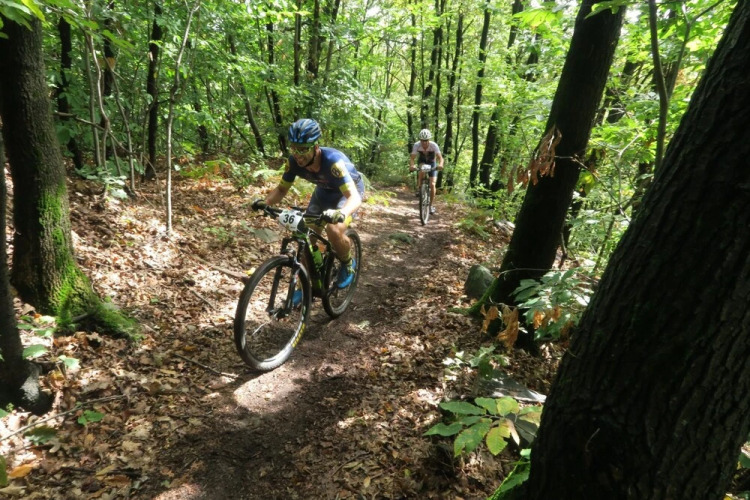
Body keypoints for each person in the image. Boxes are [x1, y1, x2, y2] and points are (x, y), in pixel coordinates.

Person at [253, 118, 364, 289]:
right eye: (294, 148)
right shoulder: (293, 162)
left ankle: (347, 263)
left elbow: (354, 197)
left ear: (316, 147)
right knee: (305, 236)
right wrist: (265, 203)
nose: (298, 154)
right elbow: (281, 190)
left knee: (333, 229)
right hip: (324, 192)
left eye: (303, 149)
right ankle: (304, 287)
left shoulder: (333, 162)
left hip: (348, 192)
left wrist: (341, 213)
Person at [409, 128, 444, 214]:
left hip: (432, 163)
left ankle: (431, 205)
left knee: (432, 184)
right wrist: (412, 166)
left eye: (426, 140)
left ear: (429, 139)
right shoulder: (417, 145)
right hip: (422, 162)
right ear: (420, 140)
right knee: (422, 170)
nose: (424, 142)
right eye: (422, 140)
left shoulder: (434, 145)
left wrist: (440, 165)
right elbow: (412, 158)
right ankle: (420, 188)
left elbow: (440, 158)